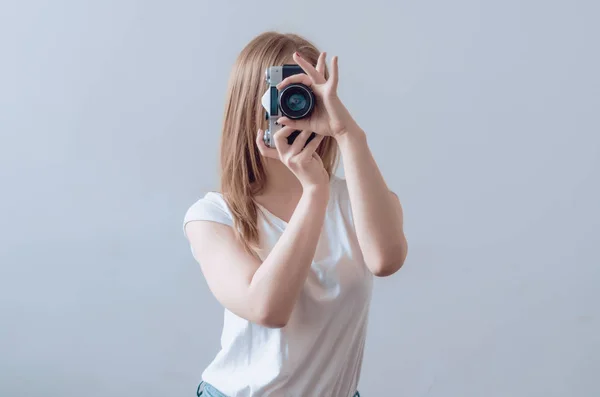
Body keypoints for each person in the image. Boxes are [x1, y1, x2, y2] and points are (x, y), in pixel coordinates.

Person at [183, 31, 408, 397]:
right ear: (253, 104)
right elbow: (268, 308)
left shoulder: (358, 200)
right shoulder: (213, 216)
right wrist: (314, 191)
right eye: (284, 91)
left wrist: (348, 133)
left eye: (308, 90)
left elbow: (386, 260)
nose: (297, 103)